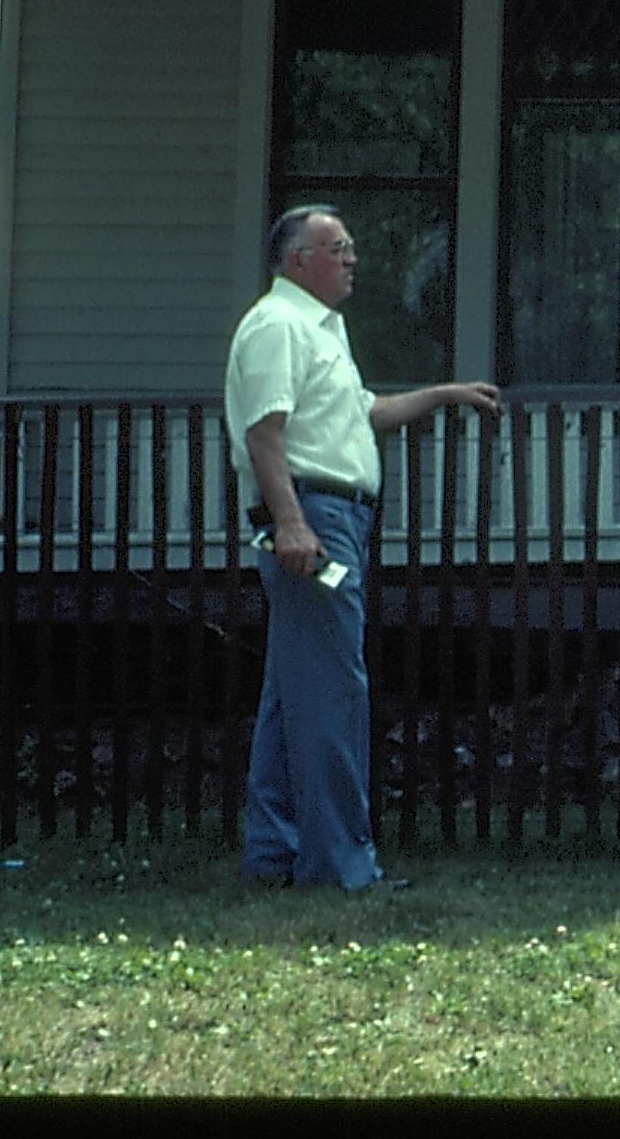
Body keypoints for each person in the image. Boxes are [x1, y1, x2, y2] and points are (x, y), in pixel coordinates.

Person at [226, 204, 499, 892]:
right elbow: (265, 432)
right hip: (311, 512)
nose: (352, 259)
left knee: (293, 694)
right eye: (338, 247)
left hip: (332, 513)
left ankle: (276, 854)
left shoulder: (321, 331)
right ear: (298, 261)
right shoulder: (277, 326)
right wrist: (291, 524)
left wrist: (444, 393)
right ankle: (340, 865)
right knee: (334, 692)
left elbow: (364, 412)